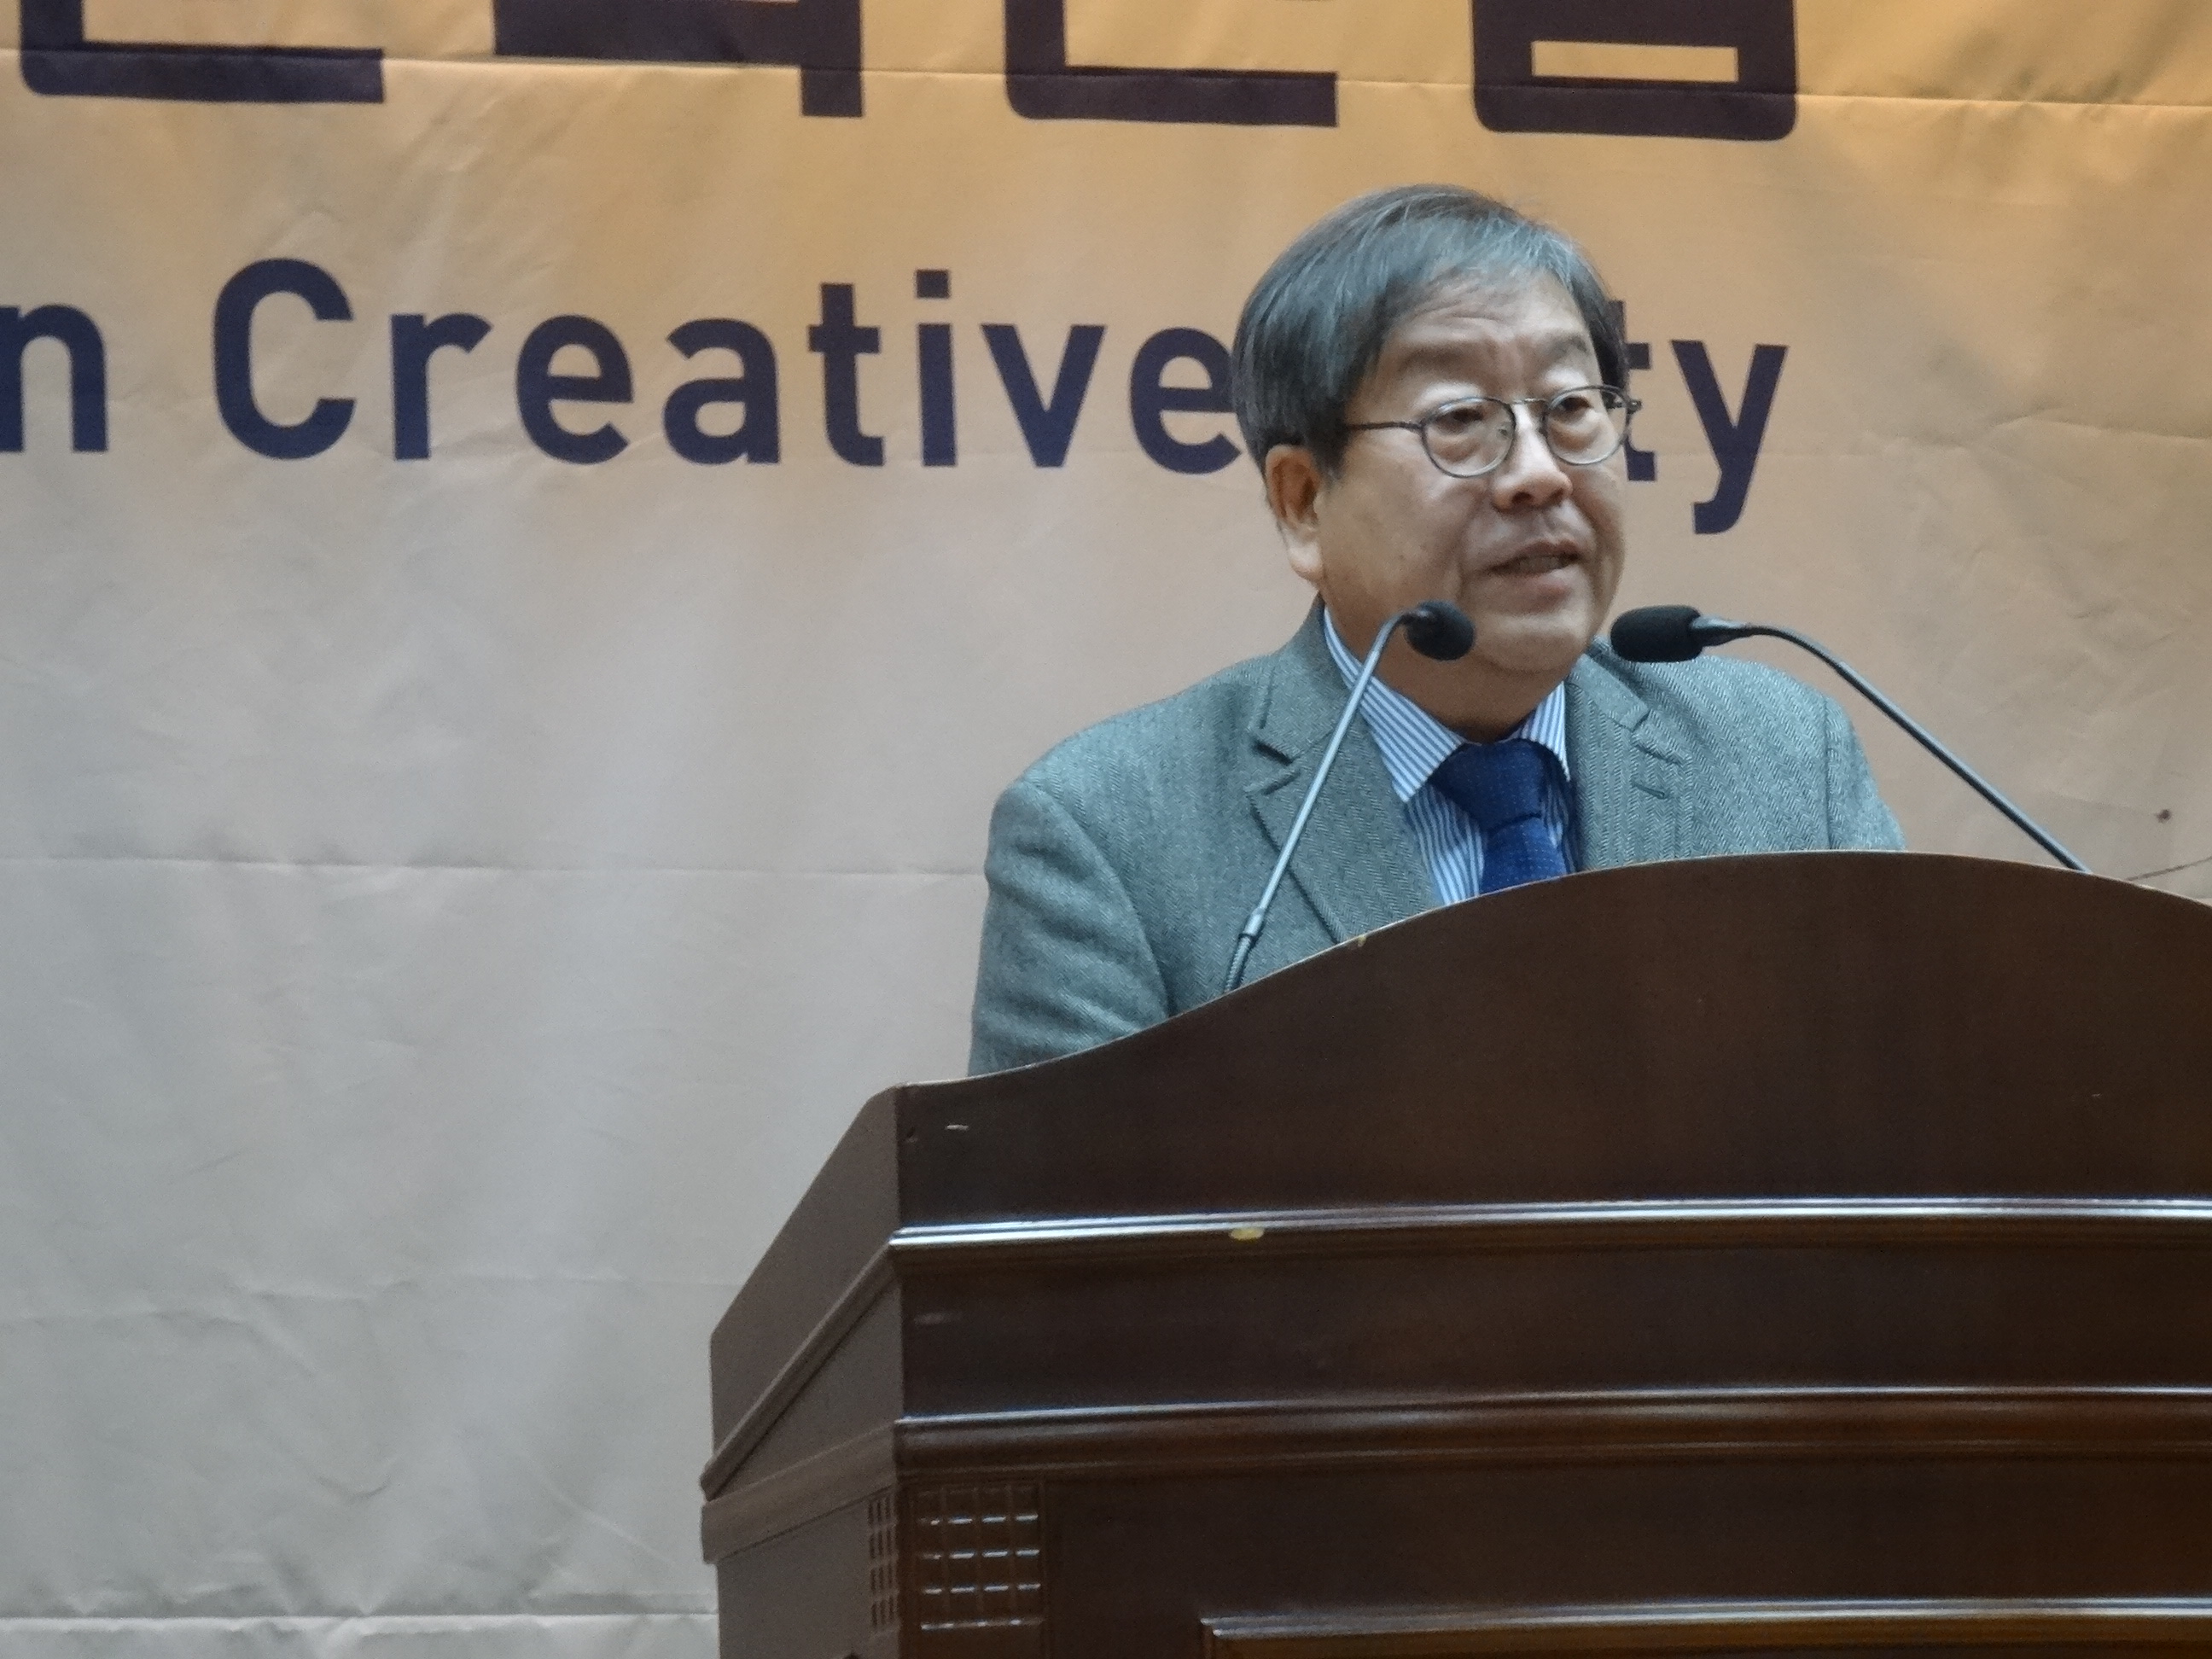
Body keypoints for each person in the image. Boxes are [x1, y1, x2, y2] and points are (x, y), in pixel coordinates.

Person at [969, 184, 1901, 1075]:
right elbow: (1067, 1191)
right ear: (1302, 502)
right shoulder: (1108, 833)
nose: (1538, 474)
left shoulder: (1783, 760)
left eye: (1572, 409)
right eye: (1460, 420)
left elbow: (1910, 1122)